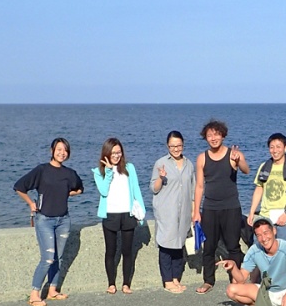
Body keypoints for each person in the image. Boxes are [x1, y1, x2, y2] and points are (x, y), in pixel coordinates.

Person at [14, 137, 84, 306]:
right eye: (59, 149)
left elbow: (80, 189)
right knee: (47, 258)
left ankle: (53, 290)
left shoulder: (69, 173)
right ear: (52, 151)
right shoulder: (42, 170)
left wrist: (66, 194)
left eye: (65, 150)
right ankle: (34, 294)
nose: (62, 153)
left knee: (57, 257)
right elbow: (19, 187)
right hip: (44, 219)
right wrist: (31, 203)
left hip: (63, 220)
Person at [193, 120, 249, 294]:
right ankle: (208, 280)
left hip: (231, 207)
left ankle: (236, 278)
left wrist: (238, 160)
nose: (213, 138)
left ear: (223, 135)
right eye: (209, 135)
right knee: (208, 246)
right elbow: (200, 186)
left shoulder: (233, 154)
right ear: (206, 138)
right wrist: (196, 211)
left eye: (216, 134)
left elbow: (246, 170)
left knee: (233, 245)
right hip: (210, 208)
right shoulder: (202, 158)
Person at [93, 137, 147, 295]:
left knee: (128, 251)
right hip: (110, 215)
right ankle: (111, 283)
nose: (116, 155)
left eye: (119, 152)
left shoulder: (129, 168)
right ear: (106, 154)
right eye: (113, 153)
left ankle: (126, 283)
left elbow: (136, 190)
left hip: (127, 214)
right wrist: (109, 171)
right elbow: (103, 191)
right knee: (110, 250)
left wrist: (141, 213)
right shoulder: (99, 172)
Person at [150, 131, 194, 294]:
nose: (176, 149)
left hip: (184, 212)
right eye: (172, 146)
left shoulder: (189, 164)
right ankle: (167, 280)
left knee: (179, 245)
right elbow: (153, 189)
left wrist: (195, 211)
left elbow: (193, 188)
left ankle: (176, 277)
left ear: (183, 145)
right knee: (166, 245)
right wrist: (161, 178)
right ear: (167, 146)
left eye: (179, 145)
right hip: (166, 211)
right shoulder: (161, 163)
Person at [248, 133, 286, 243]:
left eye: (278, 147)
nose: (275, 150)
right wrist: (251, 212)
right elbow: (259, 188)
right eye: (272, 147)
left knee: (283, 250)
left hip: (284, 216)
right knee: (260, 249)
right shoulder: (264, 166)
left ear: (285, 148)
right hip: (265, 216)